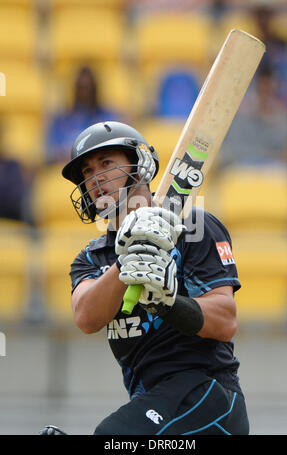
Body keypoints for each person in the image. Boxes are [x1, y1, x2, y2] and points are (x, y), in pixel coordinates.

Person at [40, 121, 249, 435]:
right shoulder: (91, 258)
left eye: (106, 163)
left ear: (140, 164)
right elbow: (87, 317)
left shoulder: (193, 227)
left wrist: (166, 304)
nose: (95, 178)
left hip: (207, 396)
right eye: (86, 172)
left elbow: (225, 321)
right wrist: (128, 260)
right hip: (151, 402)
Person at [45, 66, 121, 164]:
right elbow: (49, 152)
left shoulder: (107, 117)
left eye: (88, 88)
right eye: (81, 88)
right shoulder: (60, 120)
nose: (85, 93)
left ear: (95, 89)